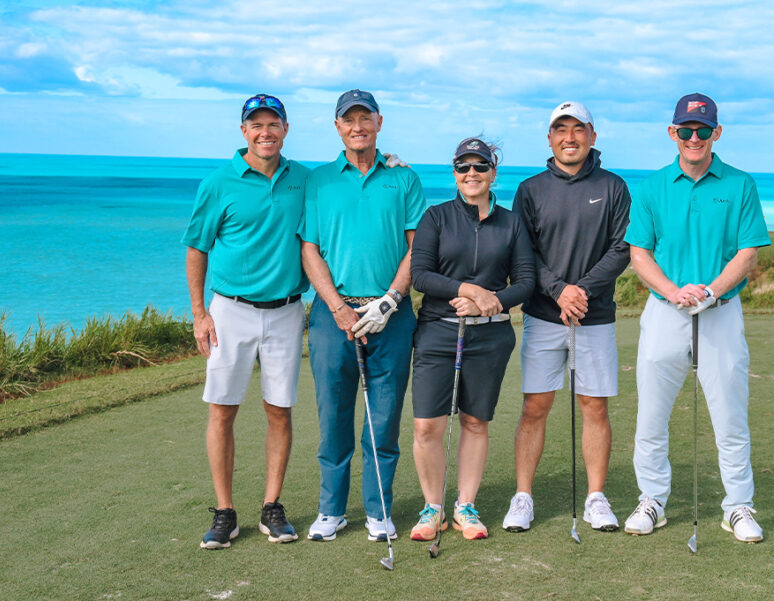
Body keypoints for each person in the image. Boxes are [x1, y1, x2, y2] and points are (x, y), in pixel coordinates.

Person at [623, 92, 770, 543]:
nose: (694, 138)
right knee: (651, 416)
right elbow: (639, 254)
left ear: (716, 133)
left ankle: (738, 506)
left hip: (720, 312)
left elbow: (747, 253)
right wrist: (673, 291)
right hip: (665, 311)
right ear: (673, 132)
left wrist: (711, 291)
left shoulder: (740, 184)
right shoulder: (652, 187)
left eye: (703, 130)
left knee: (730, 417)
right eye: (685, 130)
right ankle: (652, 500)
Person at [299, 89, 427, 542]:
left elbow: (417, 247)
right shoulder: (319, 181)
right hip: (333, 315)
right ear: (338, 127)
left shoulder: (403, 178)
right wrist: (337, 307)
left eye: (365, 118)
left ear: (379, 123)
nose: (358, 127)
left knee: (384, 419)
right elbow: (309, 249)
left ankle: (378, 510)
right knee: (333, 417)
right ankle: (331, 510)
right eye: (348, 120)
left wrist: (390, 300)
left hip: (391, 315)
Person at [183, 93, 307, 549]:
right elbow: (197, 249)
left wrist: (390, 163)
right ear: (244, 132)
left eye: (273, 124)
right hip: (229, 311)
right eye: (256, 125)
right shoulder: (218, 183)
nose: (265, 132)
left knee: (279, 410)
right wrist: (199, 314)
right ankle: (225, 512)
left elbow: (346, 182)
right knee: (222, 409)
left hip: (287, 311)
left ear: (285, 129)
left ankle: (272, 507)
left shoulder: (304, 180)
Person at [503, 102, 631, 533]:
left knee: (594, 405)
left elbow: (621, 248)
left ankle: (596, 497)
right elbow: (524, 253)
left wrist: (582, 291)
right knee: (535, 406)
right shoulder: (530, 189)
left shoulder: (614, 187)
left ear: (592, 136)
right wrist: (560, 290)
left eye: (579, 129)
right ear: (550, 138)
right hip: (543, 315)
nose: (570, 137)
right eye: (561, 129)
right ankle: (523, 497)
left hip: (594, 317)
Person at [408, 138, 535, 542]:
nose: (472, 174)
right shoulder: (436, 217)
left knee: (475, 421)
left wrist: (490, 301)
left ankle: (465, 506)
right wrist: (468, 290)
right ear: (455, 174)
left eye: (480, 166)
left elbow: (526, 282)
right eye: (463, 167)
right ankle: (433, 508)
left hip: (490, 336)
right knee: (427, 425)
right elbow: (420, 275)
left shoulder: (511, 222)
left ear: (493, 173)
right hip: (437, 331)